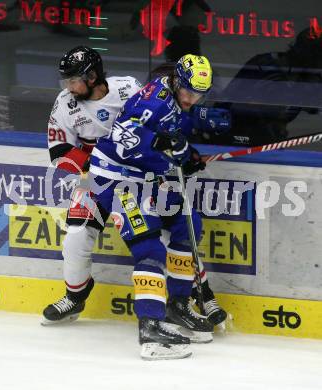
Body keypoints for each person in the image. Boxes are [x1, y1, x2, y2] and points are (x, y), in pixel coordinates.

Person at [89, 54, 227, 360]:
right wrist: (163, 145)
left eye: (199, 93)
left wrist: (185, 156)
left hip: (148, 178)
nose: (193, 97)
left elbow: (175, 137)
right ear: (177, 80)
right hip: (117, 180)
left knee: (186, 224)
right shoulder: (154, 101)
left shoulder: (179, 99)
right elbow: (123, 136)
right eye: (189, 90)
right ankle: (150, 327)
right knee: (149, 249)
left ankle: (177, 306)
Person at [42, 45, 142, 325]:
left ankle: (174, 299)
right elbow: (59, 152)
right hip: (94, 181)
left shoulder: (129, 88)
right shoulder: (65, 103)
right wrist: (97, 165)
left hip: (134, 179)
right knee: (75, 237)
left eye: (73, 80)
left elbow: (152, 125)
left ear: (93, 76)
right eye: (66, 80)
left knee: (154, 241)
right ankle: (75, 296)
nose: (69, 87)